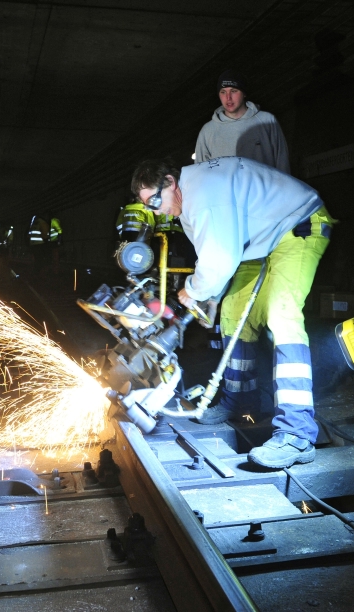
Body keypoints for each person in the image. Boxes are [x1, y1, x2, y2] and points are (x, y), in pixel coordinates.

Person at [131, 156, 334, 469]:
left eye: (155, 199)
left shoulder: (203, 195)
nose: (155, 209)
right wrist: (207, 296)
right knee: (234, 315)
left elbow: (219, 261)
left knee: (282, 316)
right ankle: (241, 402)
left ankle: (297, 433)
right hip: (260, 243)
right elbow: (218, 258)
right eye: (148, 204)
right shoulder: (189, 201)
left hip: (299, 226)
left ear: (170, 183)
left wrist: (193, 291)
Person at [195, 70, 291, 174]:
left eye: (233, 91)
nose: (228, 97)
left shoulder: (267, 121)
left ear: (244, 93)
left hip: (263, 189)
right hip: (226, 190)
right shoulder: (208, 131)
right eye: (223, 92)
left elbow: (282, 162)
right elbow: (200, 172)